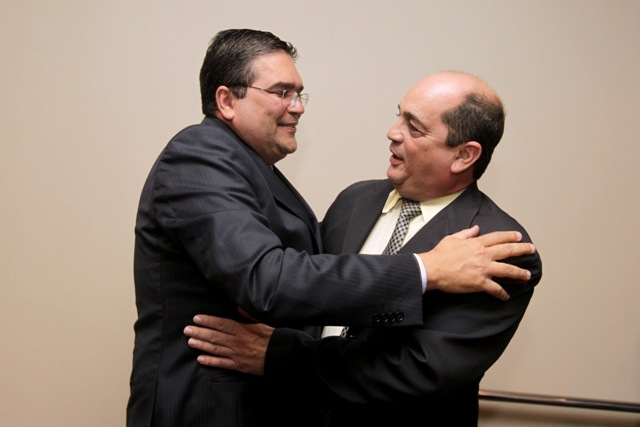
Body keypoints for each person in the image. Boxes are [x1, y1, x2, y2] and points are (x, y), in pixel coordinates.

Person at [128, 27, 536, 427]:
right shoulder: (354, 200)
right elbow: (280, 282)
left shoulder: (497, 251)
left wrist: (279, 353)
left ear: (464, 156)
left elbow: (419, 371)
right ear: (226, 100)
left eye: (413, 127)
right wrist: (426, 270)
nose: (392, 133)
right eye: (281, 92)